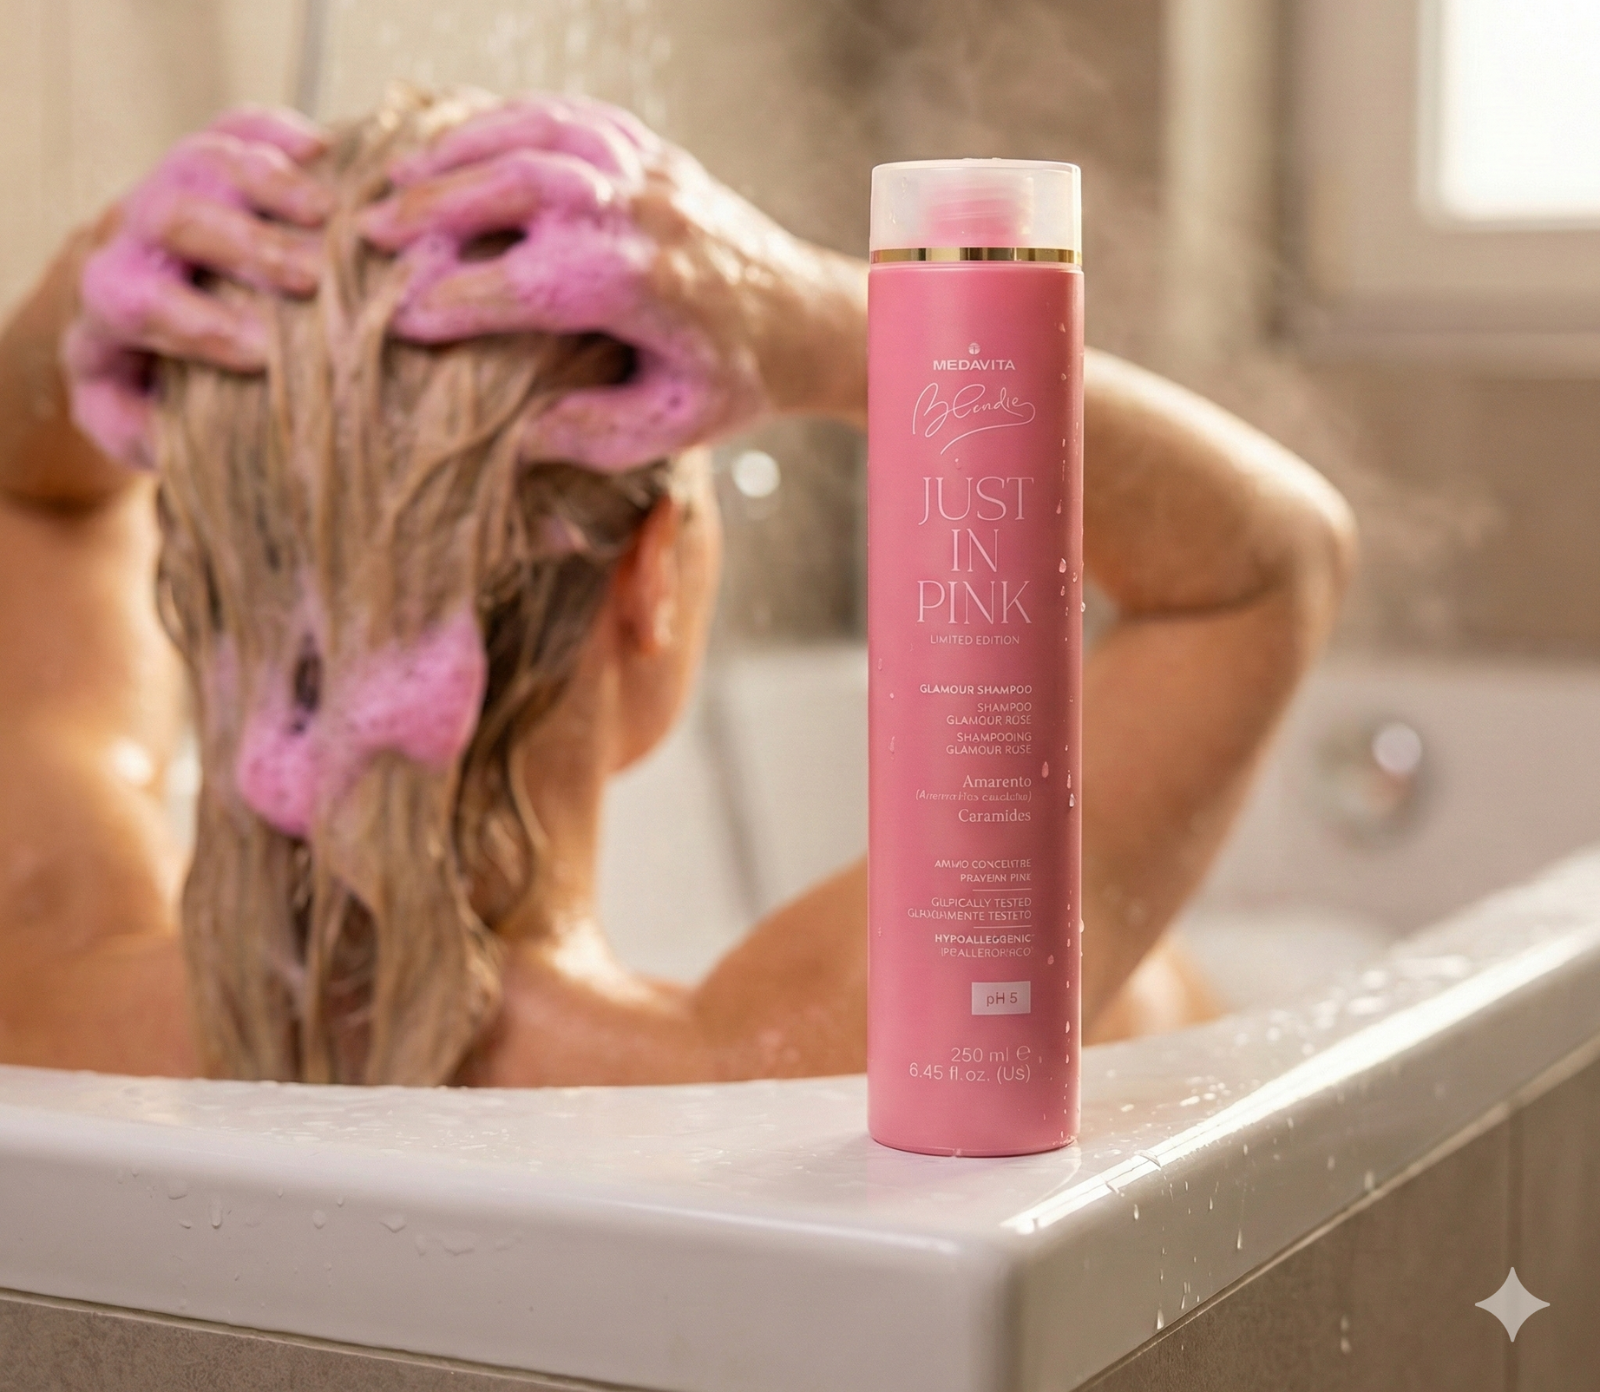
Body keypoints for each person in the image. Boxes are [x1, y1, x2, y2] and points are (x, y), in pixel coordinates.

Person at [0, 88, 1355, 1086]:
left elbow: (27, 496)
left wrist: (86, 291)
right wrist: (826, 318)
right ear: (651, 577)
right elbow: (1264, 565)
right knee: (1146, 1002)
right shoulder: (798, 1064)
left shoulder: (48, 980)